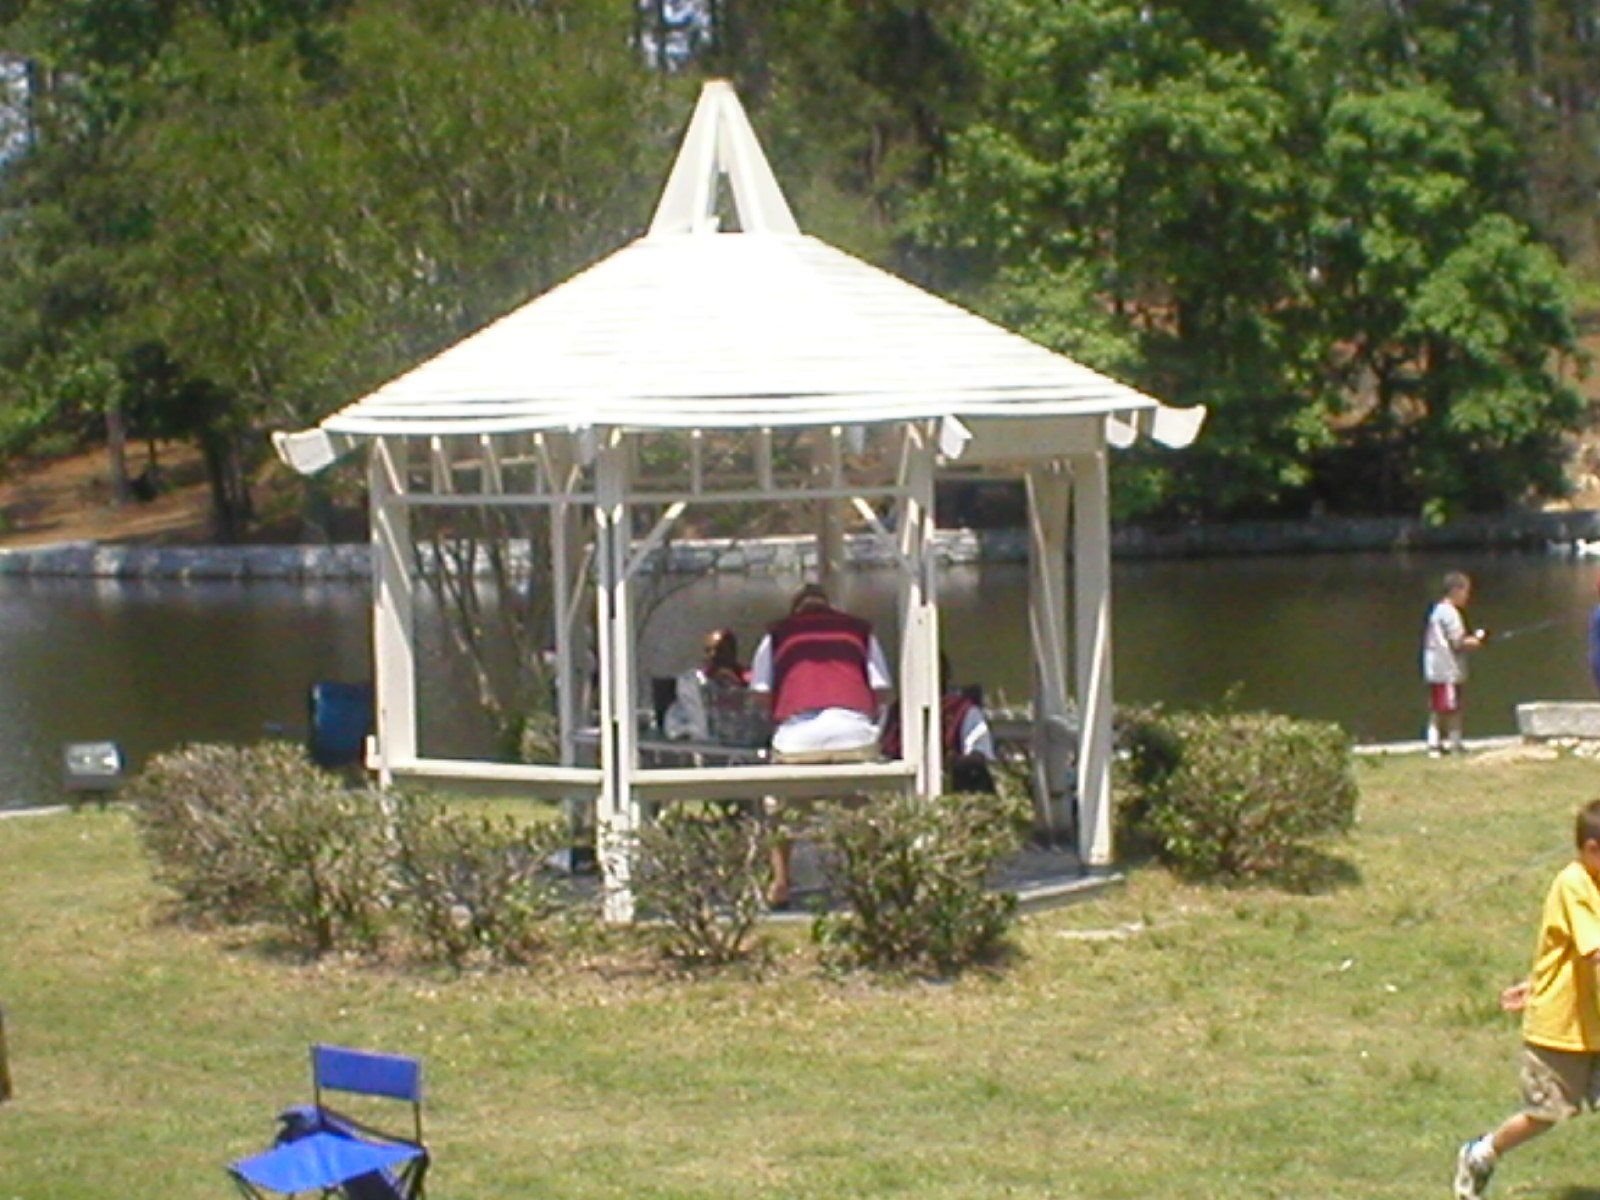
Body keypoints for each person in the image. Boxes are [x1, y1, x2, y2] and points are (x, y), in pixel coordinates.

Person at [1453, 799, 1600, 1200]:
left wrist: (1535, 981)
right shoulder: (1574, 885)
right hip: (1562, 1029)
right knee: (1545, 1114)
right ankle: (1481, 1154)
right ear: (1591, 849)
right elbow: (1594, 952)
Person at [749, 582, 894, 906]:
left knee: (779, 809)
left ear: (795, 609)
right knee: (866, 808)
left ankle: (781, 882)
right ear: (828, 606)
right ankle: (865, 877)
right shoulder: (859, 632)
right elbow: (881, 688)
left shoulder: (776, 635)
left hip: (798, 738)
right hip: (854, 734)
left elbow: (760, 692)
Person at [880, 654, 999, 794]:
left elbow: (980, 756)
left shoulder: (963, 710)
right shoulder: (896, 712)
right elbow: (884, 751)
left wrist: (951, 764)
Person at [1422, 570, 1484, 757]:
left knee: (1439, 707)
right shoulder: (1450, 614)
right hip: (1447, 669)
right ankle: (1447, 744)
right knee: (1450, 709)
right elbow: (1458, 642)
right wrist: (1478, 640)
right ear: (1456, 591)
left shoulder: (1437, 610)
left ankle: (1440, 743)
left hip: (1434, 668)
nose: (1467, 596)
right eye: (1466, 591)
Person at [663, 628, 750, 742]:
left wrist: (736, 683)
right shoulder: (692, 681)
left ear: (733, 652)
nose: (714, 655)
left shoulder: (749, 680)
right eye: (709, 650)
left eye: (720, 650)